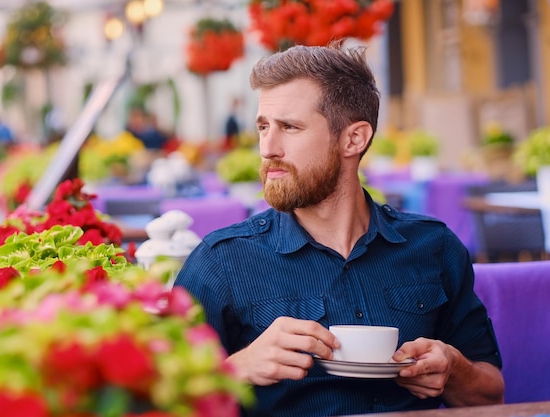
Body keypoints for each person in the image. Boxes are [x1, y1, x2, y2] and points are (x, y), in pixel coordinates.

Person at [174, 41, 504, 417]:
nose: (268, 148)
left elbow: (490, 395)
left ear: (354, 139)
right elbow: (163, 402)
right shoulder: (221, 261)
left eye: (290, 127)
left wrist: (453, 369)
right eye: (263, 127)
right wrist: (239, 368)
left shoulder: (434, 246)